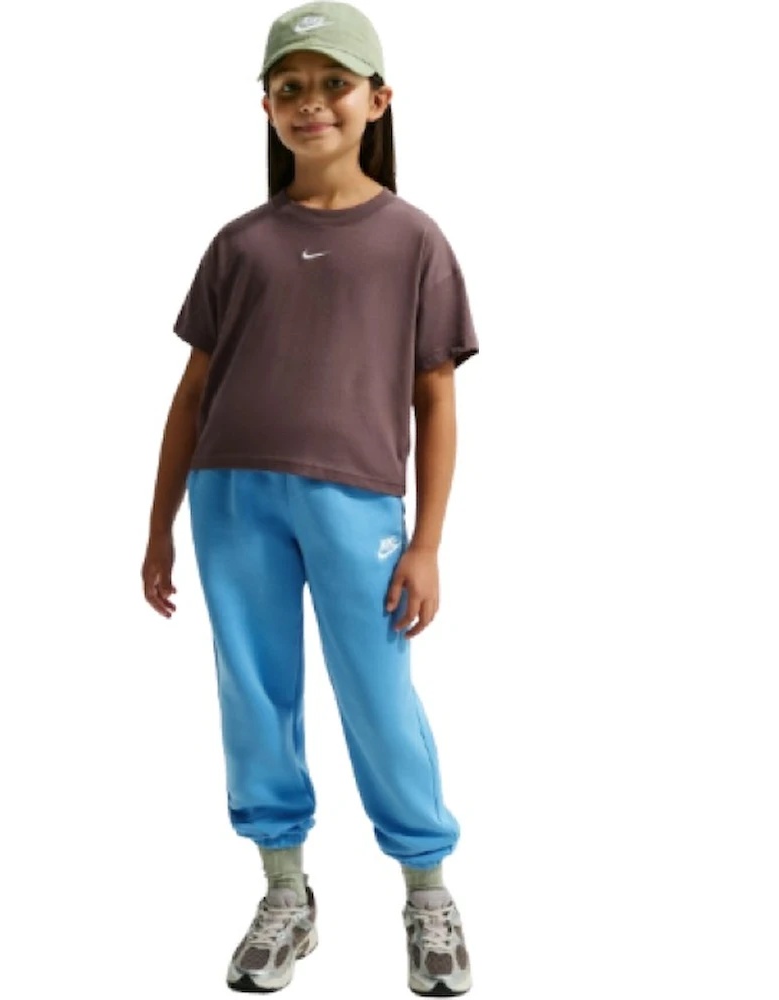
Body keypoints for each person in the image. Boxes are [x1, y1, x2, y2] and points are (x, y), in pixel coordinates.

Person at [141, 2, 479, 994]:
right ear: (266, 107)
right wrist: (158, 524)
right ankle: (285, 890)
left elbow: (434, 395)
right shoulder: (240, 244)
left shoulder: (412, 240)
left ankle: (427, 891)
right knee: (255, 692)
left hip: (356, 504)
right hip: (229, 496)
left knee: (378, 695)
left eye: (334, 84)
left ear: (378, 99)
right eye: (289, 87)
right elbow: (192, 393)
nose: (311, 103)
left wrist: (426, 541)